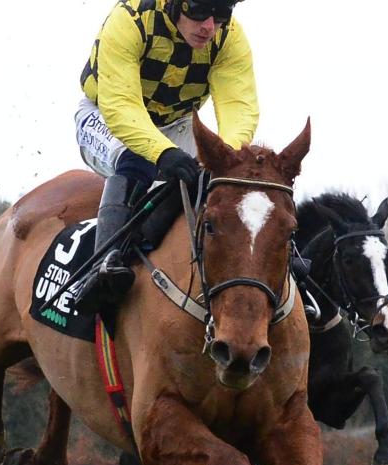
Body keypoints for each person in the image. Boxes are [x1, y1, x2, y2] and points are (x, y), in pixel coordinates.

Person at [73, 0, 259, 313]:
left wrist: (224, 158)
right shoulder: (130, 19)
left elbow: (238, 107)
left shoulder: (228, 37)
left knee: (221, 179)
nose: (208, 26)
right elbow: (121, 105)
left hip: (177, 122)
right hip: (106, 113)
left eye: (221, 14)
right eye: (199, 11)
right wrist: (162, 152)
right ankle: (103, 266)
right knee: (139, 160)